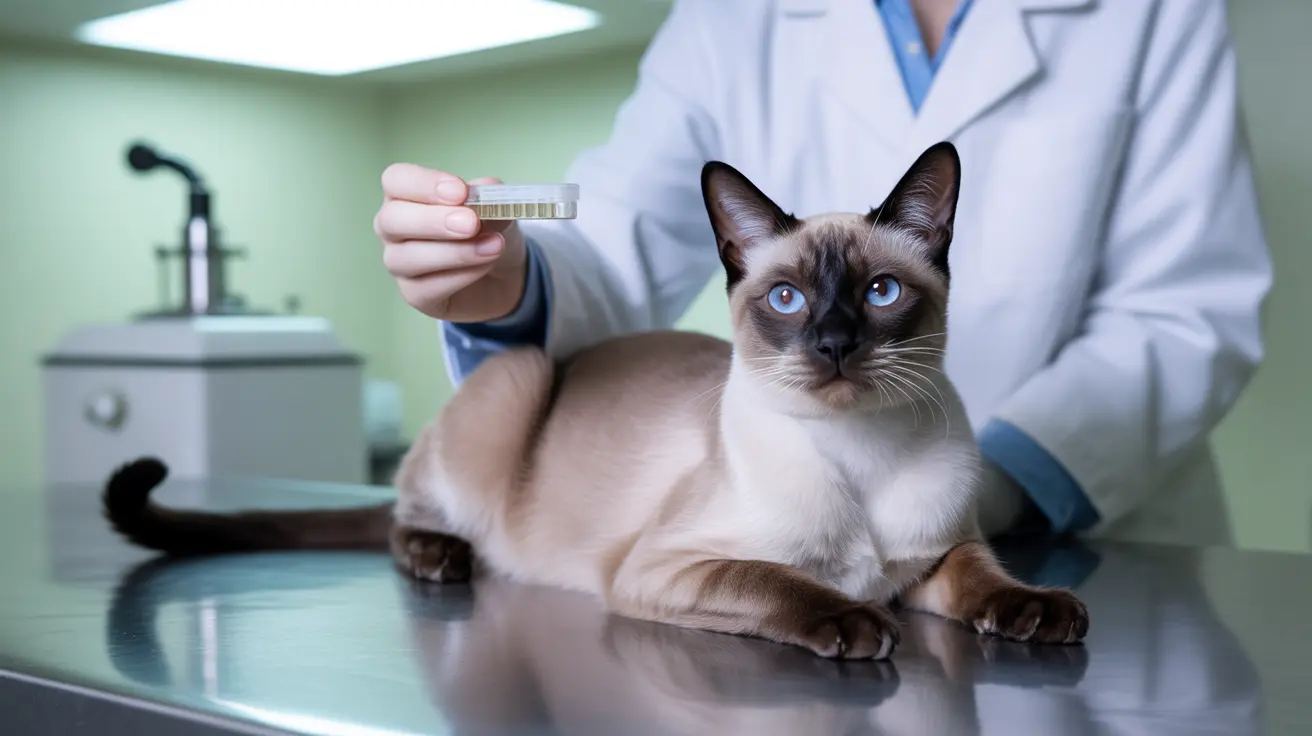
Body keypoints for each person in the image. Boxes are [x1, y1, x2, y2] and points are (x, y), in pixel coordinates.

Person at [373, 0, 1271, 547]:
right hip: (792, 528)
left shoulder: (1152, 12)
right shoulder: (730, 17)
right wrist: (507, 284)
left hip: (1081, 535)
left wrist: (968, 491)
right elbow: (614, 245)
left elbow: (1183, 311)